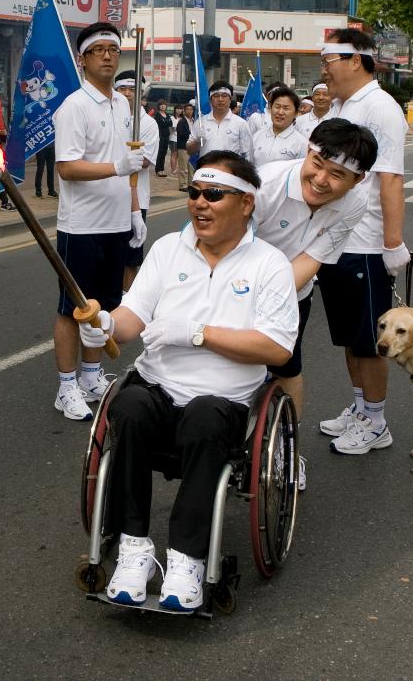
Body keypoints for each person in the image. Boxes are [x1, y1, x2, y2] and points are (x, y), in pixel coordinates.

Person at [77, 151, 297, 611]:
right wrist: (105, 326)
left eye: (214, 194)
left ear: (246, 204)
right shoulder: (166, 250)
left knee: (204, 417)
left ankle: (186, 558)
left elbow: (277, 349)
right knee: (128, 408)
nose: (200, 203)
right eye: (194, 193)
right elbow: (132, 315)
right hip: (159, 387)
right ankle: (135, 550)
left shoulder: (270, 264)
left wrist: (199, 334)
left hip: (224, 401)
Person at [251, 119, 375, 487]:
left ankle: (289, 449)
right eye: (317, 164)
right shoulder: (264, 186)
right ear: (308, 151)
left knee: (287, 368)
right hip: (234, 282)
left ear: (358, 180)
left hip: (292, 289)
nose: (321, 180)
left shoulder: (354, 204)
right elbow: (224, 247)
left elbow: (311, 259)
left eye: (337, 174)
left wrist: (270, 305)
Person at [315, 29, 410, 455]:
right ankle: (359, 409)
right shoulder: (342, 105)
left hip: (366, 241)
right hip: (335, 237)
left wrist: (392, 244)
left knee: (371, 341)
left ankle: (376, 421)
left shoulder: (381, 108)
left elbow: (389, 178)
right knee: (350, 336)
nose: (324, 68)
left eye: (329, 59)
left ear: (356, 60)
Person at [51, 21, 145, 420]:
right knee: (72, 310)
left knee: (104, 306)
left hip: (116, 222)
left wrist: (134, 209)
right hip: (82, 226)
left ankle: (91, 375)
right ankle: (66, 386)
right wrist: (115, 168)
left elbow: (132, 165)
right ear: (83, 58)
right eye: (99, 49)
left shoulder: (123, 104)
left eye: (113, 48)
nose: (108, 55)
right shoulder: (74, 106)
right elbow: (68, 168)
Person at [114, 70, 160, 290]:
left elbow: (144, 161)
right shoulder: (109, 117)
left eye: (132, 89)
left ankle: (128, 306)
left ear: (140, 94)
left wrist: (115, 159)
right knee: (108, 259)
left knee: (130, 260)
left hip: (136, 199)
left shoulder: (148, 125)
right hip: (107, 197)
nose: (127, 94)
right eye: (122, 89)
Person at [186, 80, 254, 164]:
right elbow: (189, 151)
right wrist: (197, 142)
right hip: (206, 172)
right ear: (210, 100)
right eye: (216, 96)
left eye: (224, 95)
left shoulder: (241, 124)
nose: (220, 99)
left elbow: (248, 154)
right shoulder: (200, 122)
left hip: (230, 173)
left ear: (230, 99)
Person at [251, 86, 309, 166]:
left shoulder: (302, 143)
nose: (280, 112)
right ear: (271, 108)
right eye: (277, 107)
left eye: (286, 108)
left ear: (295, 113)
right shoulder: (257, 136)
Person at [174, 103, 194, 191]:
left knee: (191, 167)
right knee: (183, 167)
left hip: (192, 147)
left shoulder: (194, 121)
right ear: (184, 111)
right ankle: (182, 185)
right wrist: (192, 136)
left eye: (191, 109)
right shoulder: (181, 121)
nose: (189, 111)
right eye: (187, 109)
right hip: (183, 147)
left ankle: (191, 184)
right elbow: (182, 134)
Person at [153, 101, 171, 176]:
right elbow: (161, 123)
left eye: (164, 105)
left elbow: (170, 123)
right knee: (159, 152)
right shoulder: (157, 115)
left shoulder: (167, 114)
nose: (163, 106)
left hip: (167, 135)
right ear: (159, 106)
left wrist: (166, 122)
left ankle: (162, 169)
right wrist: (166, 122)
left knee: (164, 153)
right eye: (161, 105)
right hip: (160, 135)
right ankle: (158, 169)